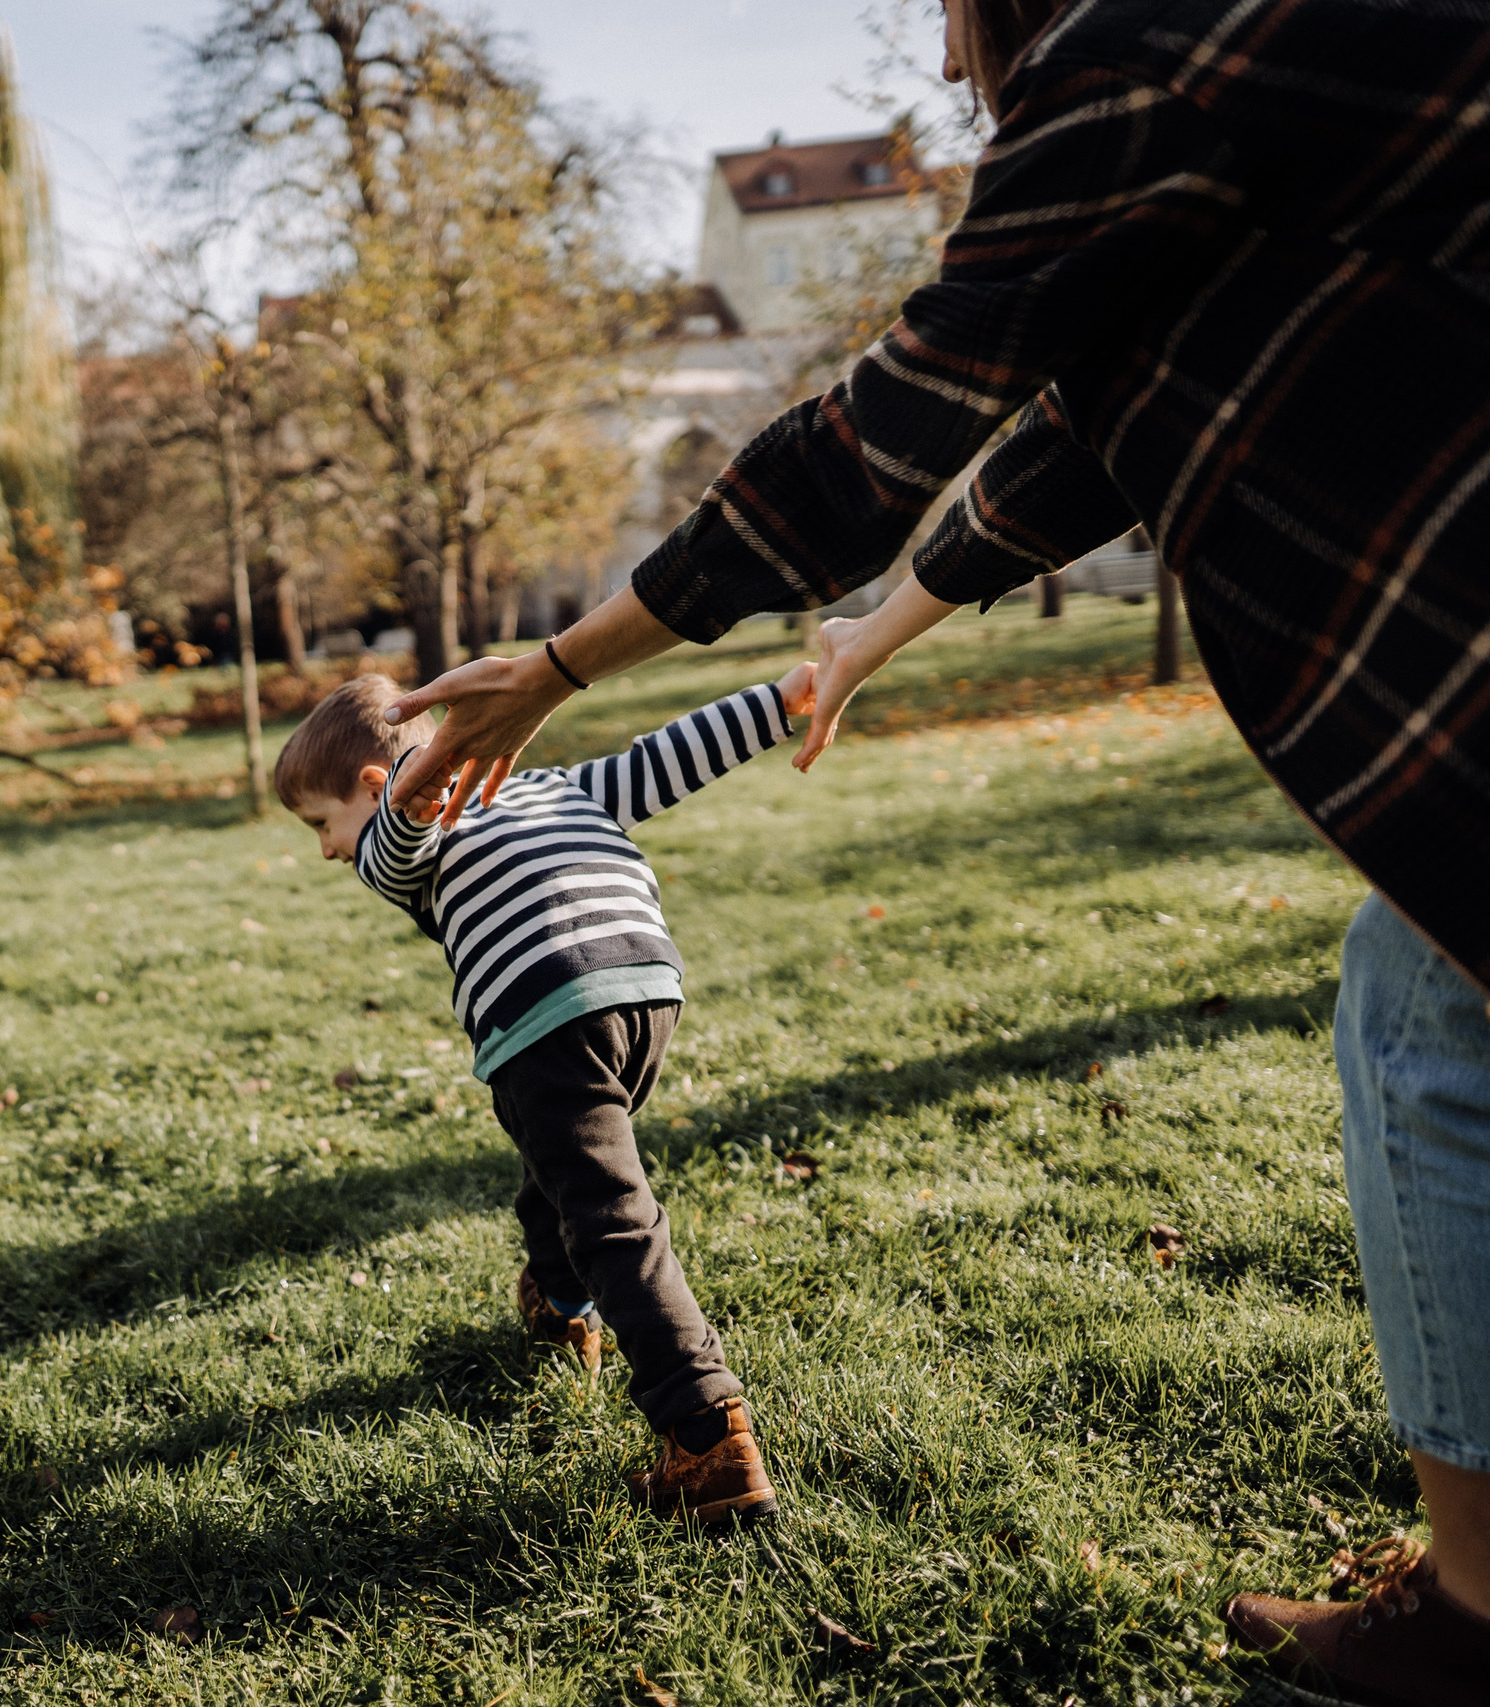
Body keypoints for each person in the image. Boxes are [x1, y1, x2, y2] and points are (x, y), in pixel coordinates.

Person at [372, 0, 1490, 1699]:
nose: (952, 69)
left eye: (950, 25)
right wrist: (867, 635)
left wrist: (551, 667)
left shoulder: (1136, 56)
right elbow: (1082, 426)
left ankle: (1479, 1607)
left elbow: (878, 434)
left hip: (551, 1025)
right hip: (642, 987)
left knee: (1424, 1020)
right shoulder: (1235, 65)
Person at [273, 663, 815, 1527]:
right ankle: (560, 1301)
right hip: (644, 992)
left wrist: (419, 785)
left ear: (376, 786)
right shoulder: (566, 787)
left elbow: (397, 837)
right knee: (563, 1168)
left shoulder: (399, 835)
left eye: (323, 822)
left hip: (543, 1015)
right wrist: (781, 700)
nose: (330, 848)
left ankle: (707, 1434)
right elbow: (668, 757)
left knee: (611, 1215)